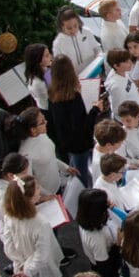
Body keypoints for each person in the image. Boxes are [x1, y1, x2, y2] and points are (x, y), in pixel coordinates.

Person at [47, 54, 103, 186]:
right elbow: (82, 125)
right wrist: (95, 109)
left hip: (65, 141)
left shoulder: (52, 93)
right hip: (79, 144)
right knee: (81, 174)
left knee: (75, 167)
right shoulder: (73, 96)